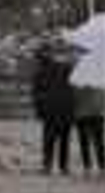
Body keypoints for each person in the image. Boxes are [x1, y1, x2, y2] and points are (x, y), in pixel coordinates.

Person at [31, 44, 76, 176]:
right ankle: (63, 167)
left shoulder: (39, 73)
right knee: (63, 140)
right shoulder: (65, 68)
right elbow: (73, 88)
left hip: (51, 111)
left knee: (49, 139)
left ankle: (47, 165)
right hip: (65, 110)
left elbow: (36, 95)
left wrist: (40, 111)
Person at [72, 78, 105, 177]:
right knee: (98, 142)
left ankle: (88, 166)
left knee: (85, 143)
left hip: (83, 114)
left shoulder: (76, 82)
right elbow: (102, 97)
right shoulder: (99, 81)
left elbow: (74, 98)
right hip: (96, 113)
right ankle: (102, 166)